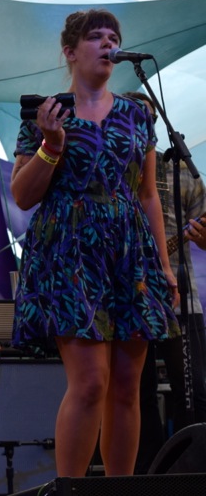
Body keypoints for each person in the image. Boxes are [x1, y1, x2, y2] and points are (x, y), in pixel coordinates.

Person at [10, 8, 179, 477]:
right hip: (69, 252)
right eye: (96, 37)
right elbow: (23, 196)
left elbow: (147, 194)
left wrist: (163, 267)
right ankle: (72, 488)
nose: (108, 44)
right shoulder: (46, 113)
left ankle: (119, 489)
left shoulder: (136, 114)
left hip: (129, 253)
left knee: (128, 386)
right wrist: (51, 145)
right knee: (90, 384)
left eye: (113, 37)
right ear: (71, 51)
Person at [125, 91, 206, 471]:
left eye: (150, 119)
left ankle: (190, 470)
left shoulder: (182, 174)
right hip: (129, 299)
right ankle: (147, 475)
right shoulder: (116, 166)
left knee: (193, 391)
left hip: (179, 299)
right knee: (134, 395)